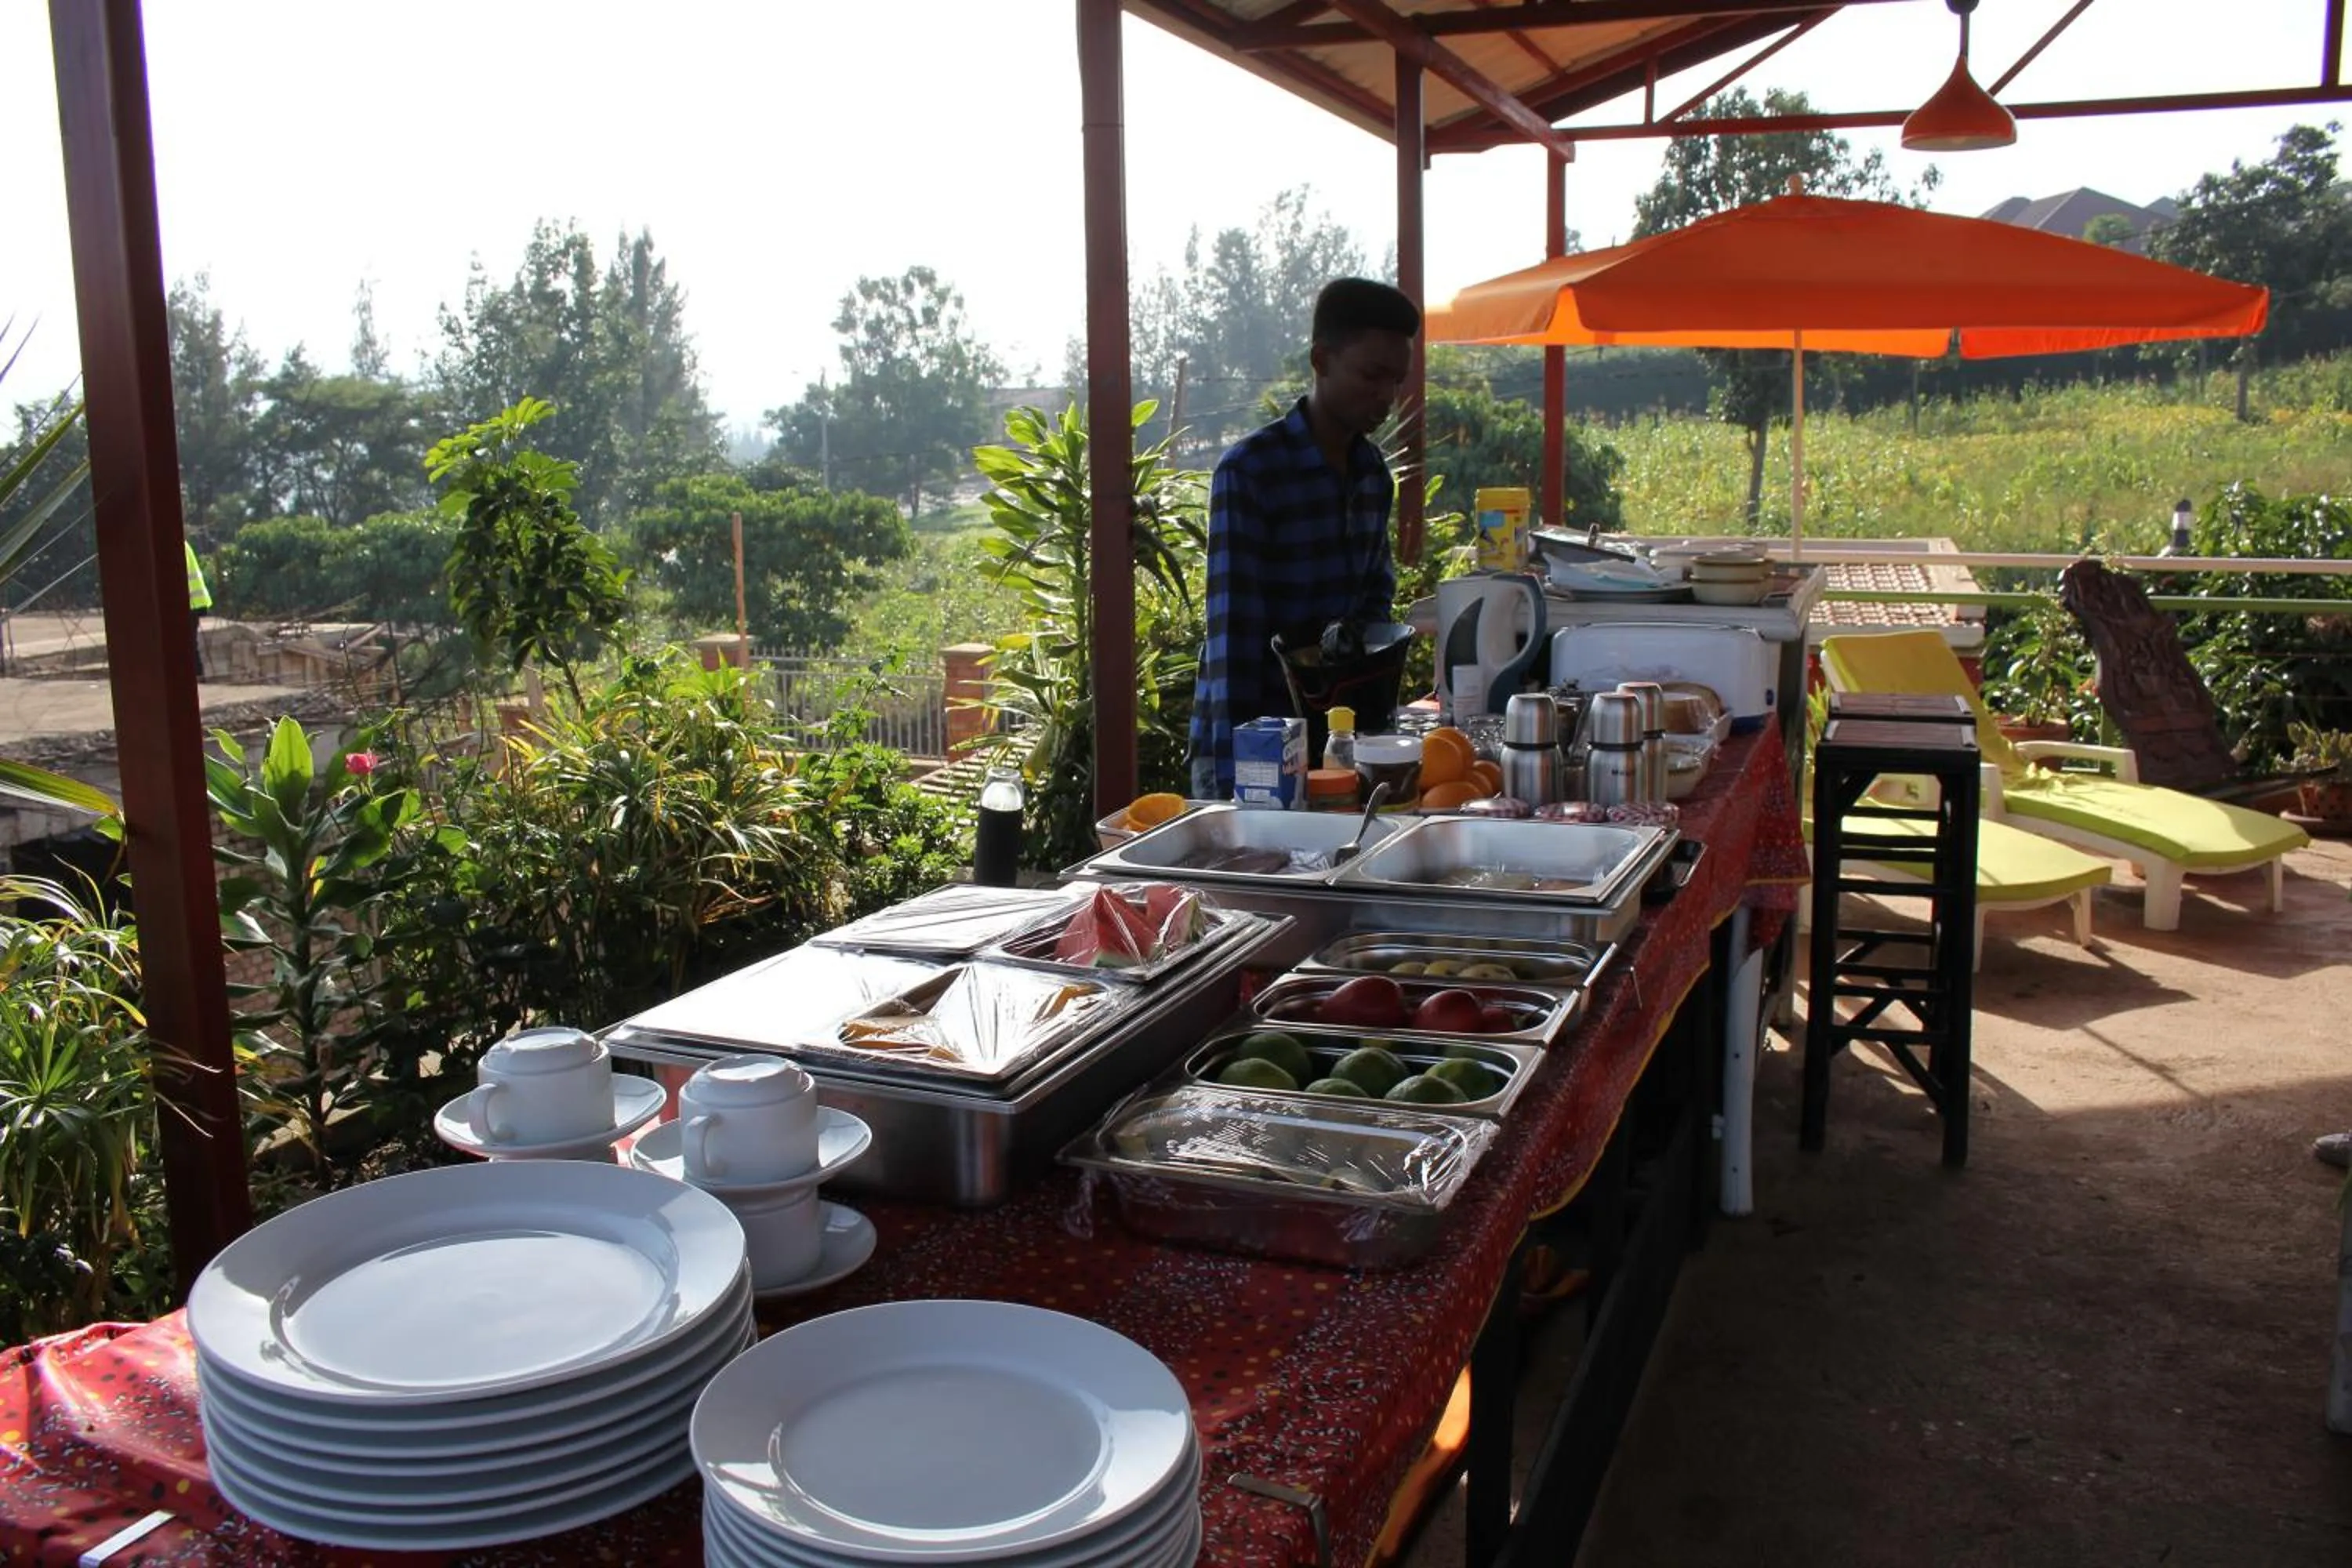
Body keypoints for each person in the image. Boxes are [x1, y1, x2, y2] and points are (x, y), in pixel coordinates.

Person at [1187, 278, 1418, 800]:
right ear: (1321, 360)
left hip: (1335, 749)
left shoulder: (1373, 476)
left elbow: (1373, 613)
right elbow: (1233, 643)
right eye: (1372, 375)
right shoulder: (1251, 472)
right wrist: (1239, 788)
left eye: (1396, 380)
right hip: (1251, 750)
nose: (1386, 396)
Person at [184, 539, 212, 680]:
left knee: (188, 644)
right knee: (190, 644)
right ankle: (198, 677)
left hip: (192, 603)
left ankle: (197, 677)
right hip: (195, 602)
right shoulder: (184, 544)